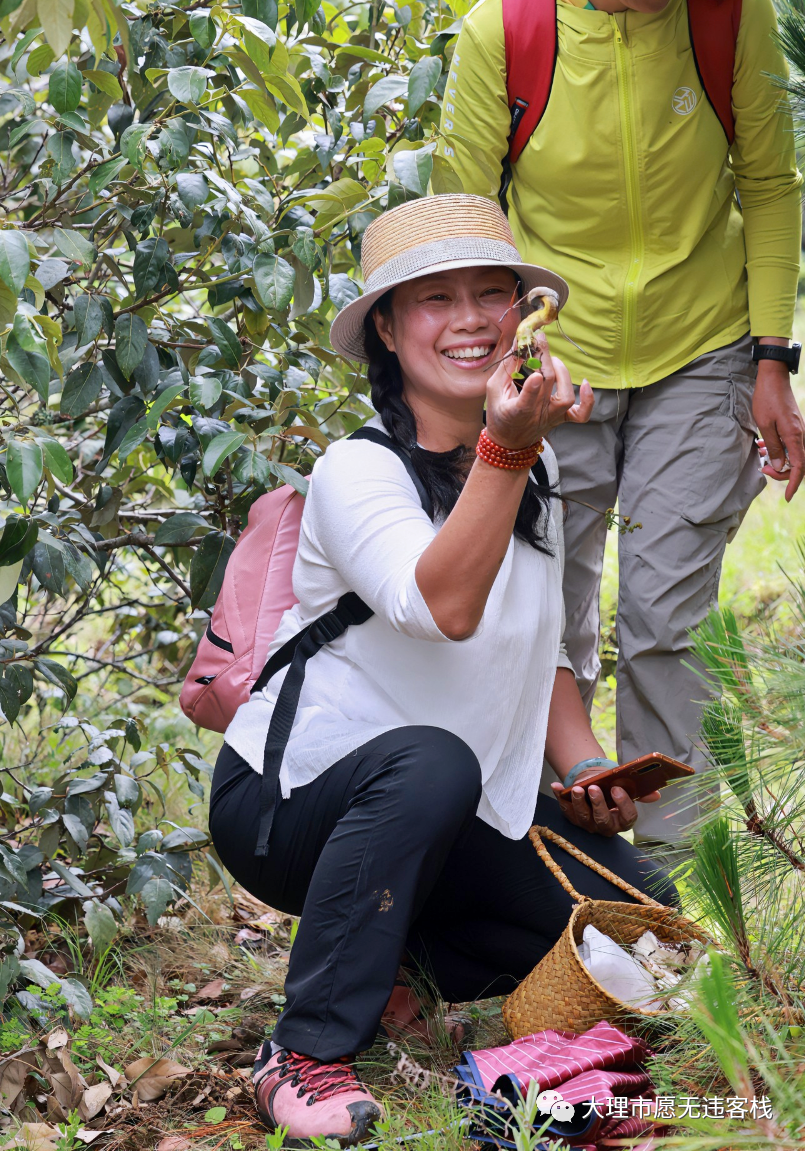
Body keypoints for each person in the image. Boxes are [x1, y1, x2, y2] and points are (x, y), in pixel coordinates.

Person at [209, 196, 678, 1148]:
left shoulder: (527, 476)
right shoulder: (357, 469)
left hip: (451, 816)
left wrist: (586, 769)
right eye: (434, 300)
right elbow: (441, 608)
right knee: (430, 761)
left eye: (491, 294)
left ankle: (401, 958)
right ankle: (300, 1052)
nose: (469, 319)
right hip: (292, 805)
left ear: (523, 316)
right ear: (387, 328)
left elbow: (535, 646)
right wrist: (511, 445)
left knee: (649, 932)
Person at [438, 0, 805, 849]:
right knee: (545, 630)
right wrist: (481, 392)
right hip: (557, 368)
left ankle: (669, 896)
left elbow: (770, 183)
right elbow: (461, 237)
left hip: (706, 348)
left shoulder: (731, 11)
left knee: (666, 624)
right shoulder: (502, 32)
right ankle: (549, 878)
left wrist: (774, 356)